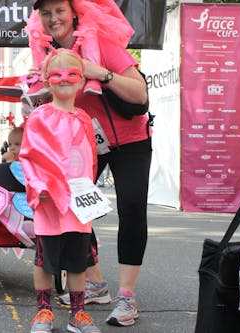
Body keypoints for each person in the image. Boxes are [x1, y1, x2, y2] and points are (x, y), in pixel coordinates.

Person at [27, 0, 151, 327]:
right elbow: (47, 97)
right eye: (46, 13)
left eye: (59, 11)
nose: (54, 19)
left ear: (74, 13)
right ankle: (94, 282)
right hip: (84, 142)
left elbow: (139, 95)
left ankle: (126, 296)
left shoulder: (101, 44)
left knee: (133, 206)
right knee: (71, 204)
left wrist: (101, 73)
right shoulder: (44, 53)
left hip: (130, 138)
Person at [20, 49, 101, 333]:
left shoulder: (85, 119)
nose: (64, 79)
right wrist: (38, 186)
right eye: (57, 74)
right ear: (46, 79)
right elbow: (28, 156)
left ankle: (77, 314)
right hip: (49, 200)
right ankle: (43, 311)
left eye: (72, 74)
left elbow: (91, 158)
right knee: (45, 260)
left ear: (81, 81)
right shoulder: (40, 117)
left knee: (79, 261)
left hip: (78, 205)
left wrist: (89, 192)